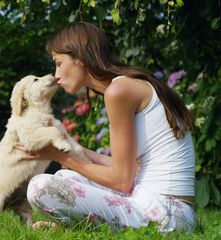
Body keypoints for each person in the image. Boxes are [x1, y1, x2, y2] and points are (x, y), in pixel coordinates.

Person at [14, 22, 197, 232]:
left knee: (40, 188)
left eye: (58, 63)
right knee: (65, 178)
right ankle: (79, 227)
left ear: (80, 59)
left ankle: (76, 227)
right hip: (157, 202)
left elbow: (121, 181)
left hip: (170, 214)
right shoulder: (127, 84)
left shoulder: (119, 91)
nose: (56, 74)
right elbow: (131, 169)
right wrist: (71, 147)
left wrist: (62, 157)